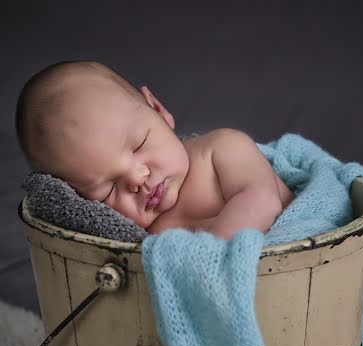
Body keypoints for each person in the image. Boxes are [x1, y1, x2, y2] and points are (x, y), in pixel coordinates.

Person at [15, 60, 294, 239]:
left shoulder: (220, 149)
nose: (137, 178)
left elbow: (262, 200)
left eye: (139, 145)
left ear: (158, 110)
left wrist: (208, 256)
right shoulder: (140, 232)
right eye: (109, 189)